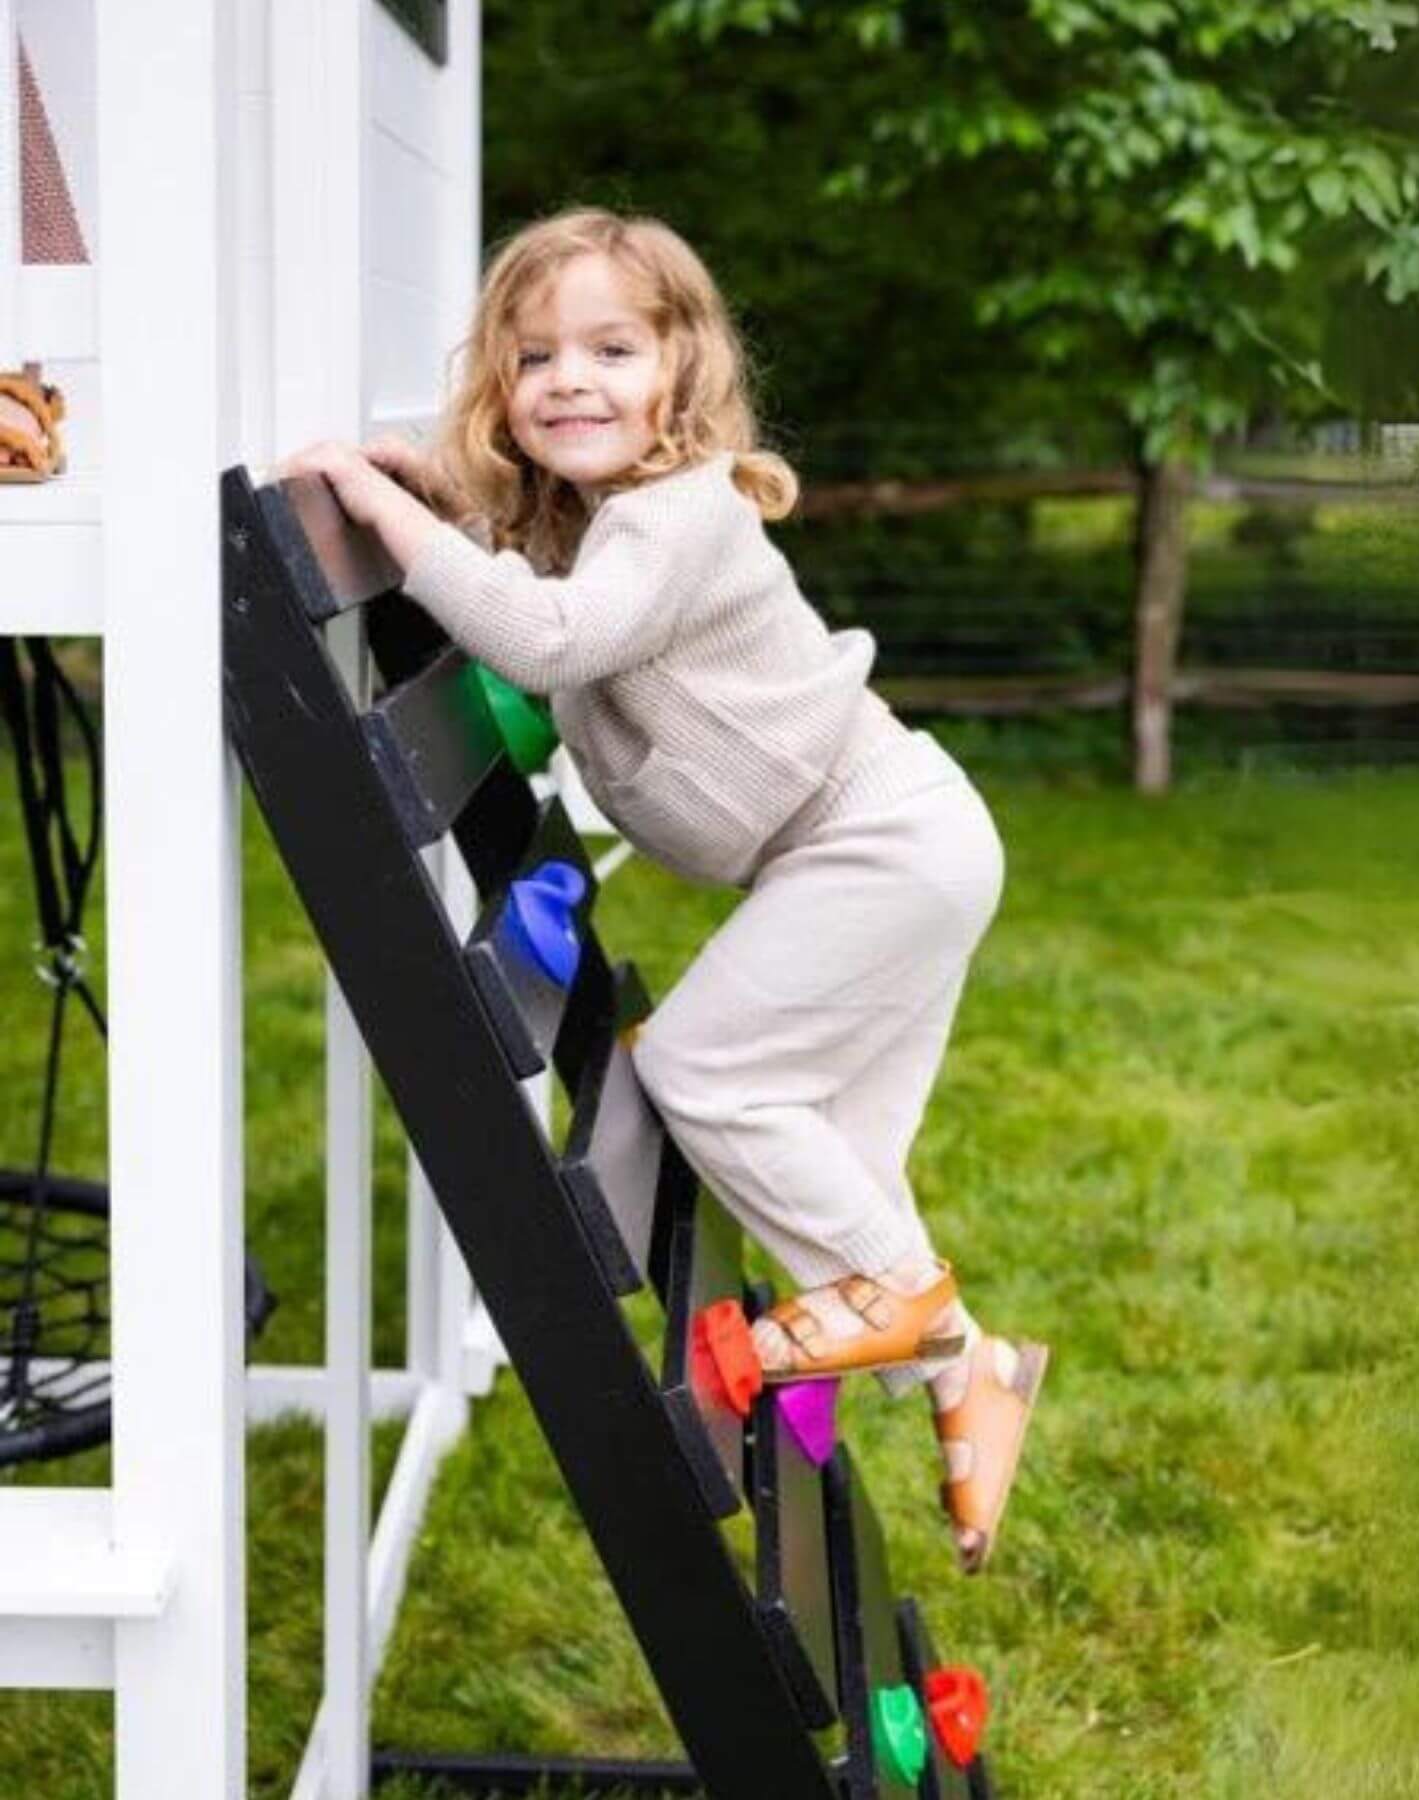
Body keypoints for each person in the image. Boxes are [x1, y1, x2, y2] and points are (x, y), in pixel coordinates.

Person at [276, 206, 1047, 1574]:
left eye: (611, 349)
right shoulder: (604, 523)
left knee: (707, 1074)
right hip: (880, 840)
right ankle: (969, 1376)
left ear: (680, 378)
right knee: (841, 1166)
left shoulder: (680, 513)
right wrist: (452, 505)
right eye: (533, 358)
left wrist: (389, 514)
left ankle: (906, 1310)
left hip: (878, 840)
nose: (569, 379)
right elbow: (541, 581)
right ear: (502, 392)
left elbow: (542, 630)